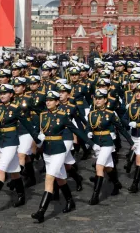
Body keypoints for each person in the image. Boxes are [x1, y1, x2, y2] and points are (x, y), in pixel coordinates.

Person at [31, 90, 92, 223]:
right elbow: (37, 130)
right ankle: (70, 201)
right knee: (60, 179)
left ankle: (41, 211)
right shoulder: (42, 115)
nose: (48, 102)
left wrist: (90, 143)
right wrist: (38, 137)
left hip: (59, 151)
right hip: (47, 150)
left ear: (57, 102)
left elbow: (76, 130)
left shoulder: (63, 116)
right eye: (47, 100)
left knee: (49, 178)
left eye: (51, 100)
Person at [0, 84, 41, 211]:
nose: (2, 95)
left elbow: (27, 124)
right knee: (14, 171)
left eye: (5, 93)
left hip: (12, 142)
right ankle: (21, 196)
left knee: (1, 170)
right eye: (1, 93)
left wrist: (37, 138)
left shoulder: (16, 109)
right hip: (2, 142)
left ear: (11, 95)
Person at [86, 89, 134, 205]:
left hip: (107, 142)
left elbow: (121, 128)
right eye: (96, 98)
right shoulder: (91, 114)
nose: (97, 101)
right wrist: (88, 133)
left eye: (100, 98)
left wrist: (131, 142)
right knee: (108, 168)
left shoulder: (110, 114)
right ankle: (116, 183)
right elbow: (88, 127)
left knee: (99, 166)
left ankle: (95, 196)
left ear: (105, 100)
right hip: (97, 143)